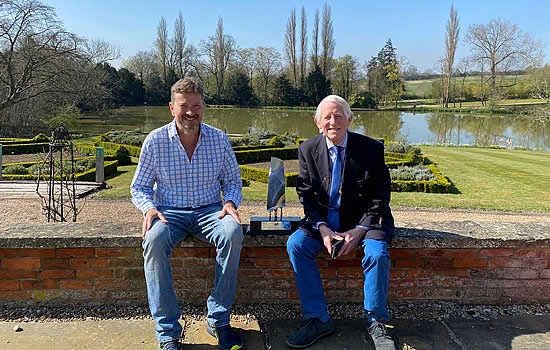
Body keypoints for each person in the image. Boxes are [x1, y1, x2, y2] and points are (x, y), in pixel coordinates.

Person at [131, 78, 244, 350]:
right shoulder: (156, 141)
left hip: (210, 211)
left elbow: (233, 180)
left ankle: (218, 319)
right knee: (153, 241)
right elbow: (139, 187)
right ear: (172, 107)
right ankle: (168, 332)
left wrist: (230, 202)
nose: (190, 112)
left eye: (196, 105)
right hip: (169, 213)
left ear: (203, 107)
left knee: (233, 232)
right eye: (184, 106)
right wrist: (149, 209)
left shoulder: (218, 139)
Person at [286, 95, 396, 350]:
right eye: (327, 117)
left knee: (377, 255)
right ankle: (318, 319)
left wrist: (359, 231)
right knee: (296, 245)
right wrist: (322, 228)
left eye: (338, 116)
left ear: (349, 119)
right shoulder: (307, 149)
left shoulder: (371, 149)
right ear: (317, 122)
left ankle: (376, 320)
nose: (332, 121)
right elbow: (305, 193)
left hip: (365, 220)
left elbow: (381, 195)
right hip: (324, 219)